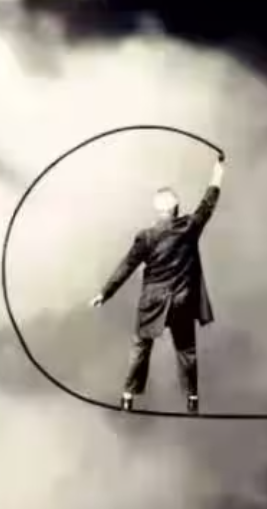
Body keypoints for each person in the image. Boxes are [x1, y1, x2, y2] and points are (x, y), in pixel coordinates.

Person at [89, 155, 225, 414]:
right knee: (186, 349)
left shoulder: (147, 236)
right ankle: (192, 399)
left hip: (153, 302)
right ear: (177, 208)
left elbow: (126, 266)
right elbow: (208, 203)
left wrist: (104, 293)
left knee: (141, 345)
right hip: (182, 300)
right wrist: (218, 172)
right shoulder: (190, 226)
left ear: (158, 210)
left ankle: (128, 397)